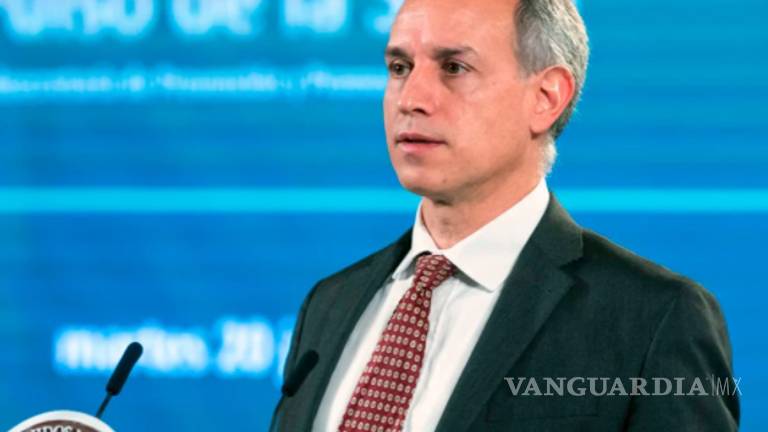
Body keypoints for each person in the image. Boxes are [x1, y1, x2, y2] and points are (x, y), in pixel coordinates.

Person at [271, 0, 739, 430]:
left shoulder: (656, 319)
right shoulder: (330, 303)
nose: (410, 98)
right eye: (400, 67)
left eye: (454, 68)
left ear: (546, 97)